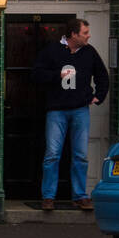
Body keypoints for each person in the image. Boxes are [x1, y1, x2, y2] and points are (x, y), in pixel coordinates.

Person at [31, 18, 110, 210]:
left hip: (80, 110)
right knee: (52, 155)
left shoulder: (89, 52)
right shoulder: (52, 51)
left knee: (80, 155)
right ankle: (48, 197)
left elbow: (102, 75)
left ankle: (80, 196)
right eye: (85, 33)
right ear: (73, 34)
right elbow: (36, 74)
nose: (88, 36)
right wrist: (56, 75)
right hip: (56, 111)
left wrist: (98, 97)